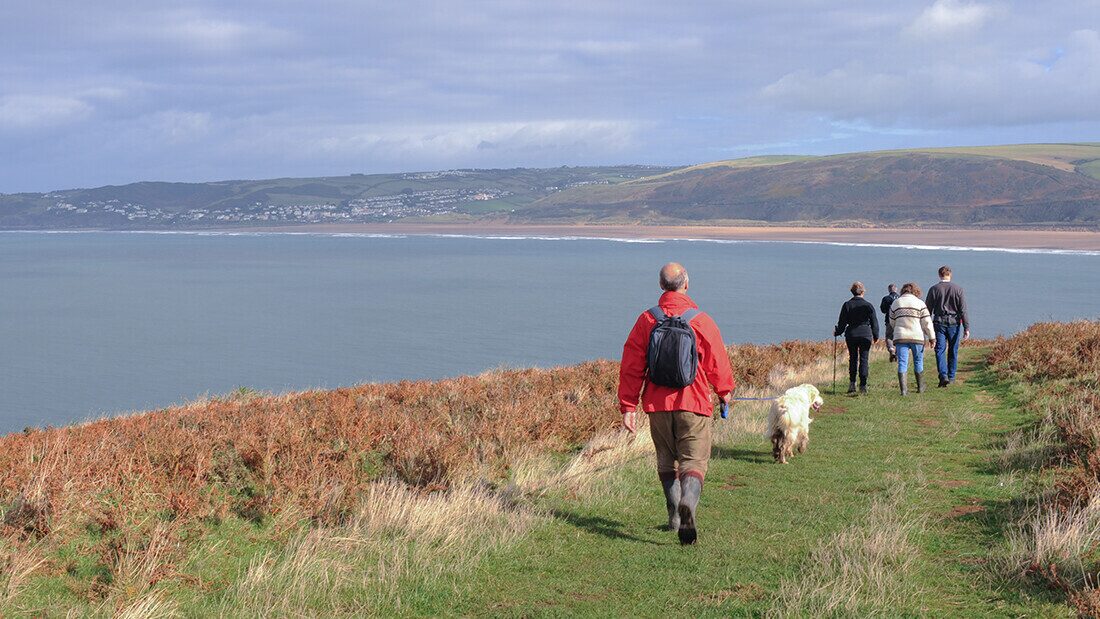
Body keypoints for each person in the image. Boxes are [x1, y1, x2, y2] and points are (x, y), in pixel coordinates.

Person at [618, 263, 735, 546]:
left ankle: (674, 517)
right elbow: (716, 360)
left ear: (661, 286)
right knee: (693, 462)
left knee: (665, 460)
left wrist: (628, 407)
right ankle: (688, 505)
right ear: (686, 283)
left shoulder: (647, 320)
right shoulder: (700, 320)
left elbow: (632, 365)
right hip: (692, 402)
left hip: (657, 405)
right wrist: (725, 392)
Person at [926, 265, 970, 387]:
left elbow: (927, 310)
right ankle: (951, 376)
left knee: (940, 349)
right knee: (953, 350)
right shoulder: (958, 289)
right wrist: (966, 327)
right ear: (950, 274)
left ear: (939, 275)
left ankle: (943, 375)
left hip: (939, 322)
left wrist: (925, 326)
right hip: (954, 323)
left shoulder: (934, 289)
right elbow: (963, 310)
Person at [887, 282, 935, 396]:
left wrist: (897, 328)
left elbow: (892, 321)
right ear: (916, 291)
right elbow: (927, 323)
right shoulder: (920, 303)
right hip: (917, 337)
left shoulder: (896, 303)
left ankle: (903, 390)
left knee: (902, 363)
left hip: (901, 337)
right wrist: (932, 337)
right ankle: (920, 387)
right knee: (918, 361)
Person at [834, 281, 879, 395]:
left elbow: (842, 323)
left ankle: (852, 383)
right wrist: (876, 335)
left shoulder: (847, 305)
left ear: (852, 292)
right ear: (863, 292)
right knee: (864, 359)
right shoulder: (868, 305)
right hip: (865, 334)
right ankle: (863, 385)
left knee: (853, 358)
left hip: (852, 334)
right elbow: (875, 322)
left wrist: (837, 332)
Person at [879, 284, 899, 362]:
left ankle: (891, 349)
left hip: (889, 320)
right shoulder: (900, 298)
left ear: (889, 290)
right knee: (898, 337)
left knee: (889, 337)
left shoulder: (886, 298)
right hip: (899, 321)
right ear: (896, 289)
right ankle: (897, 353)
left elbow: (883, 310)